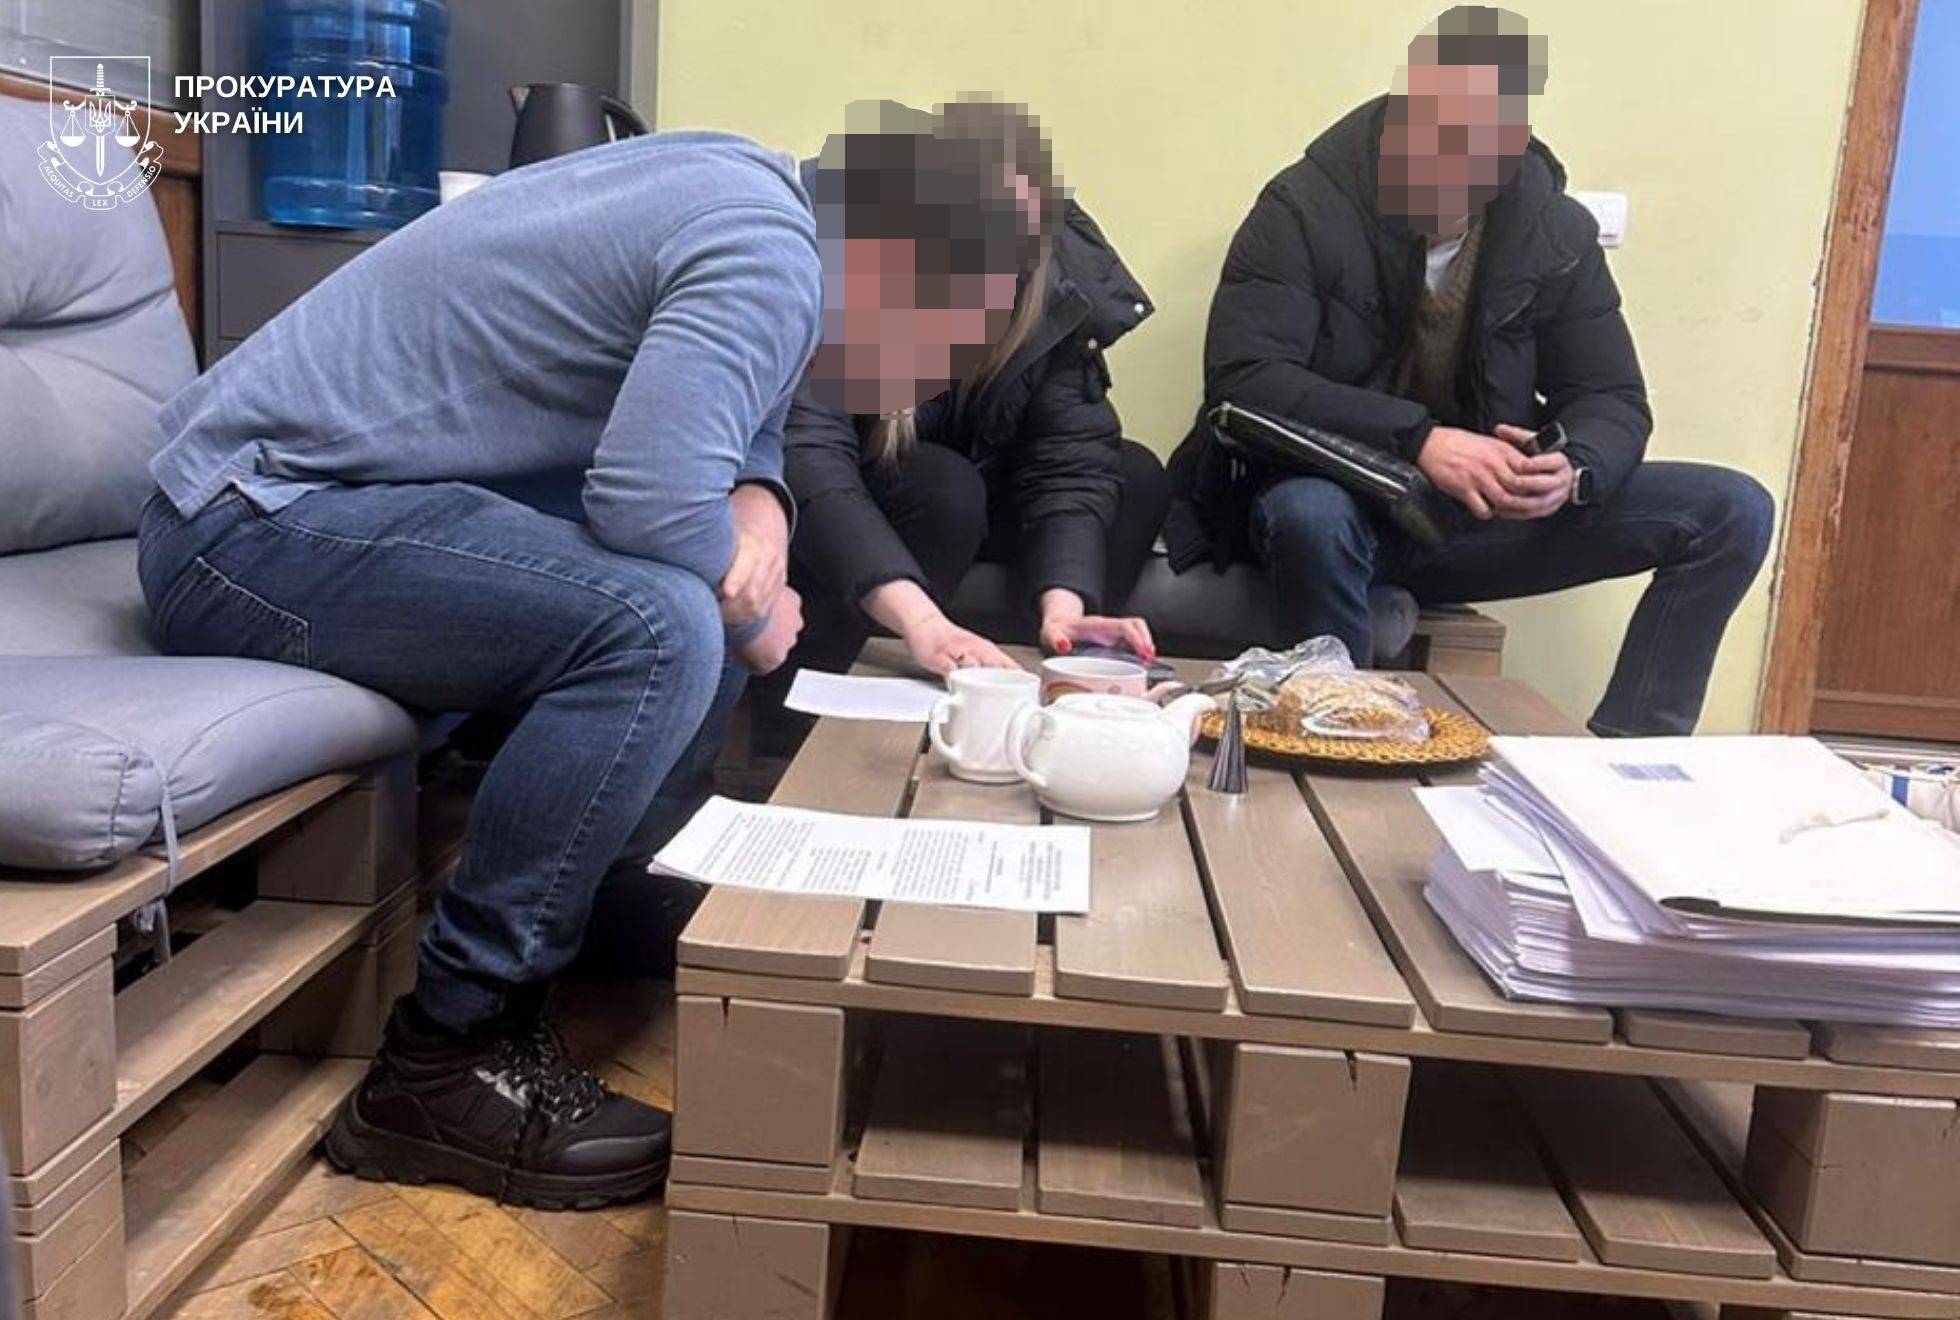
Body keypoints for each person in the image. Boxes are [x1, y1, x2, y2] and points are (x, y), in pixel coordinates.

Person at [137, 106, 1040, 1208]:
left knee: (690, 598)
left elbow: (737, 434)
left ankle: (613, 901)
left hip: (301, 509)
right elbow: (650, 498)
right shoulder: (764, 249)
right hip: (243, 524)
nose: (930, 371)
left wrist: (759, 504)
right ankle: (445, 1055)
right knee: (660, 626)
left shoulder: (763, 206)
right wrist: (749, 607)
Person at [1166, 5, 1774, 735]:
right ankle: (1345, 739)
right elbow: (1244, 381)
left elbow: (1611, 396)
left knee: (1732, 511)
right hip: (1329, 507)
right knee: (1310, 515)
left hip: (1470, 519)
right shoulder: (1304, 206)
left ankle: (1624, 756)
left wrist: (1574, 468)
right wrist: (1420, 441)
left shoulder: (1554, 229)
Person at [784, 98, 1169, 681]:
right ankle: (825, 688)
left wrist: (1066, 610)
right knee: (945, 486)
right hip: (880, 494)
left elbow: (1069, 459)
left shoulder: (1051, 286)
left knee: (1134, 474)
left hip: (979, 489)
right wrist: (922, 621)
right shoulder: (827, 262)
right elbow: (807, 451)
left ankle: (1046, 672)